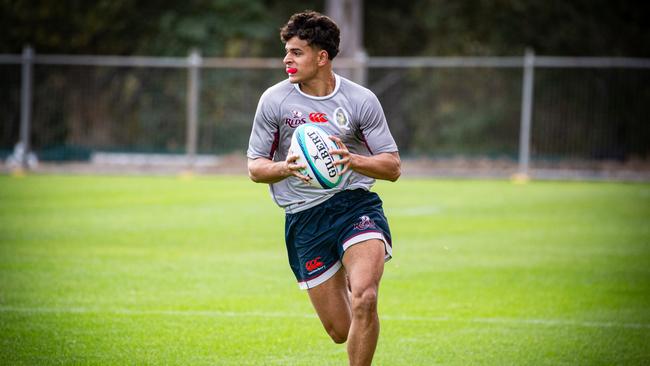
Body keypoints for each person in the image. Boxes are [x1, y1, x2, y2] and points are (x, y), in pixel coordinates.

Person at [247, 10, 400, 366]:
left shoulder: (361, 100)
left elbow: (392, 166)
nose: (287, 59)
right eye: (286, 51)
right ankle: (347, 271)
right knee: (340, 330)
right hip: (304, 218)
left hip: (354, 206)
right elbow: (255, 168)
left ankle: (357, 273)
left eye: (296, 52)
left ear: (322, 57)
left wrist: (352, 160)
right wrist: (285, 168)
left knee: (365, 298)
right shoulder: (274, 101)